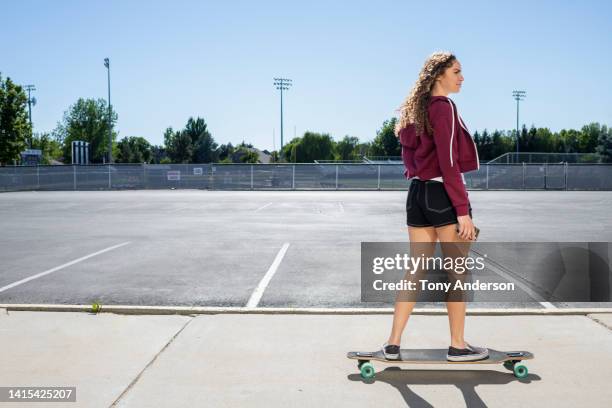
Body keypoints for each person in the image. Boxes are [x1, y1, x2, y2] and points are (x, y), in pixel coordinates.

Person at [383, 51, 488, 362]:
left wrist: (419, 174)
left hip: (416, 194)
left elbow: (408, 156)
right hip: (442, 194)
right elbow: (449, 161)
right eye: (456, 71)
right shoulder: (443, 108)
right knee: (457, 272)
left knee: (414, 271)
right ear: (440, 73)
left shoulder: (415, 110)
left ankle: (392, 344)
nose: (462, 77)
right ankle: (458, 346)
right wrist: (462, 210)